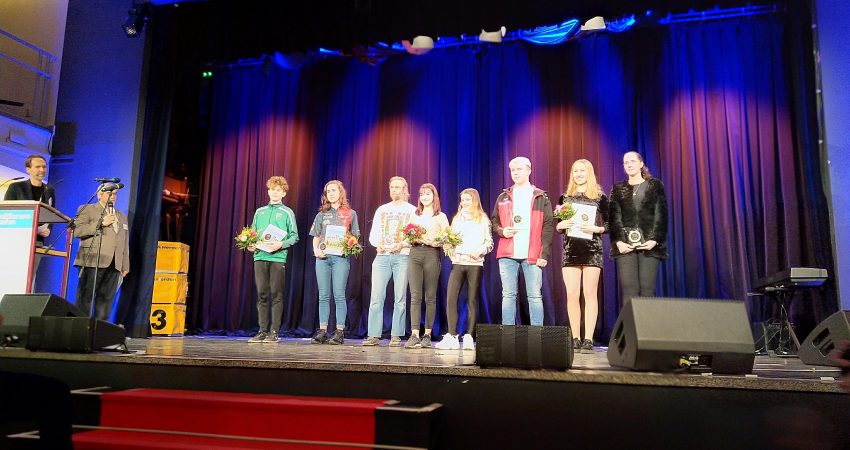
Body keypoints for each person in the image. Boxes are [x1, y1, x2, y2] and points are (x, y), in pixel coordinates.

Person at [491, 156, 554, 326]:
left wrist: (544, 253)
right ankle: (508, 334)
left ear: (529, 171)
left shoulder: (540, 196)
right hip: (507, 253)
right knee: (508, 295)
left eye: (519, 169)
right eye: (513, 170)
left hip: (532, 253)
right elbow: (494, 221)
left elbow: (548, 226)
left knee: (534, 296)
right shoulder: (503, 196)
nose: (515, 173)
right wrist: (502, 231)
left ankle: (536, 335)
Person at [555, 159, 609, 354]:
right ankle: (576, 338)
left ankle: (588, 339)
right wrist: (560, 225)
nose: (578, 174)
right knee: (571, 294)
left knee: (590, 294)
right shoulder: (565, 198)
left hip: (592, 250)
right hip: (571, 250)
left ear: (589, 173)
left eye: (582, 171)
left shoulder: (600, 197)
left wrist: (597, 228)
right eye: (575, 171)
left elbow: (611, 224)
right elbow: (559, 225)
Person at [435, 188, 493, 350]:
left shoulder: (483, 219)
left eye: (468, 199)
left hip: (475, 263)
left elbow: (489, 243)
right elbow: (450, 240)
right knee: (451, 298)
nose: (465, 202)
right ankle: (452, 335)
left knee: (471, 300)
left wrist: (479, 251)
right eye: (463, 199)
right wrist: (449, 249)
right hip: (458, 262)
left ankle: (469, 336)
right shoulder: (457, 218)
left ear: (475, 200)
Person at [608, 151, 668, 307]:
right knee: (629, 290)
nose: (629, 164)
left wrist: (655, 240)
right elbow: (614, 218)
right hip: (625, 247)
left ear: (641, 164)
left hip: (649, 245)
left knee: (647, 289)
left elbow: (661, 215)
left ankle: (648, 324)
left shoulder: (655, 185)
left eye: (632, 161)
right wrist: (619, 242)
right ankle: (630, 324)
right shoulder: (618, 188)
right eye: (626, 162)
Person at [363, 176, 417, 346]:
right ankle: (373, 335)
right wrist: (377, 244)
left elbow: (415, 234)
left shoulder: (412, 210)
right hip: (382, 256)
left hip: (402, 256)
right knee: (376, 297)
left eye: (397, 187)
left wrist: (402, 244)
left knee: (400, 297)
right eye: (392, 187)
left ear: (404, 189)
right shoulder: (382, 209)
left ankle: (396, 335)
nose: (394, 190)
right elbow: (374, 233)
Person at [246, 176, 299, 343]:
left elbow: (294, 236)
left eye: (278, 190)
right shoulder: (259, 212)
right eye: (272, 190)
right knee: (262, 294)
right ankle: (262, 331)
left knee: (276, 294)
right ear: (268, 191)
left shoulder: (287, 212)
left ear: (283, 193)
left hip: (277, 257)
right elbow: (252, 234)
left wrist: (280, 244)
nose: (274, 193)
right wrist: (250, 244)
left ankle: (274, 331)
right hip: (260, 256)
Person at [309, 180, 360, 345]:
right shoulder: (321, 214)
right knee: (323, 295)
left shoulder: (350, 213)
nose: (330, 194)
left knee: (339, 294)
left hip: (340, 259)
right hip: (323, 258)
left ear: (340, 192)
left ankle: (339, 331)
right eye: (328, 191)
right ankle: (323, 331)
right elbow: (316, 236)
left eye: (333, 190)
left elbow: (355, 236)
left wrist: (349, 243)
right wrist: (316, 250)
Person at [73, 183, 130, 321]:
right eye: (110, 193)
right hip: (92, 260)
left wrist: (125, 265)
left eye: (115, 194)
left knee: (106, 301)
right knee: (85, 299)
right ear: (99, 194)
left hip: (114, 263)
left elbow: (125, 241)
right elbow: (77, 231)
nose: (113, 196)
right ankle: (82, 329)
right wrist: (101, 224)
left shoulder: (122, 216)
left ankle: (99, 329)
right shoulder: (87, 209)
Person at [404, 183, 449, 349]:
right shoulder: (414, 215)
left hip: (431, 254)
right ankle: (414, 334)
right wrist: (414, 238)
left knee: (430, 296)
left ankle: (427, 334)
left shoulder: (441, 216)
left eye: (428, 194)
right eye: (422, 194)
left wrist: (435, 241)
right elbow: (407, 236)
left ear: (434, 196)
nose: (424, 197)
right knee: (415, 296)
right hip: (415, 253)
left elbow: (447, 238)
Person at [4, 154, 56, 286]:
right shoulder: (16, 187)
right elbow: (7, 214)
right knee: (13, 277)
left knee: (29, 280)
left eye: (44, 167)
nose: (42, 170)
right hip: (16, 241)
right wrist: (31, 228)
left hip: (37, 242)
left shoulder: (49, 190)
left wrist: (48, 229)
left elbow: (52, 213)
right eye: (38, 167)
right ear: (28, 169)